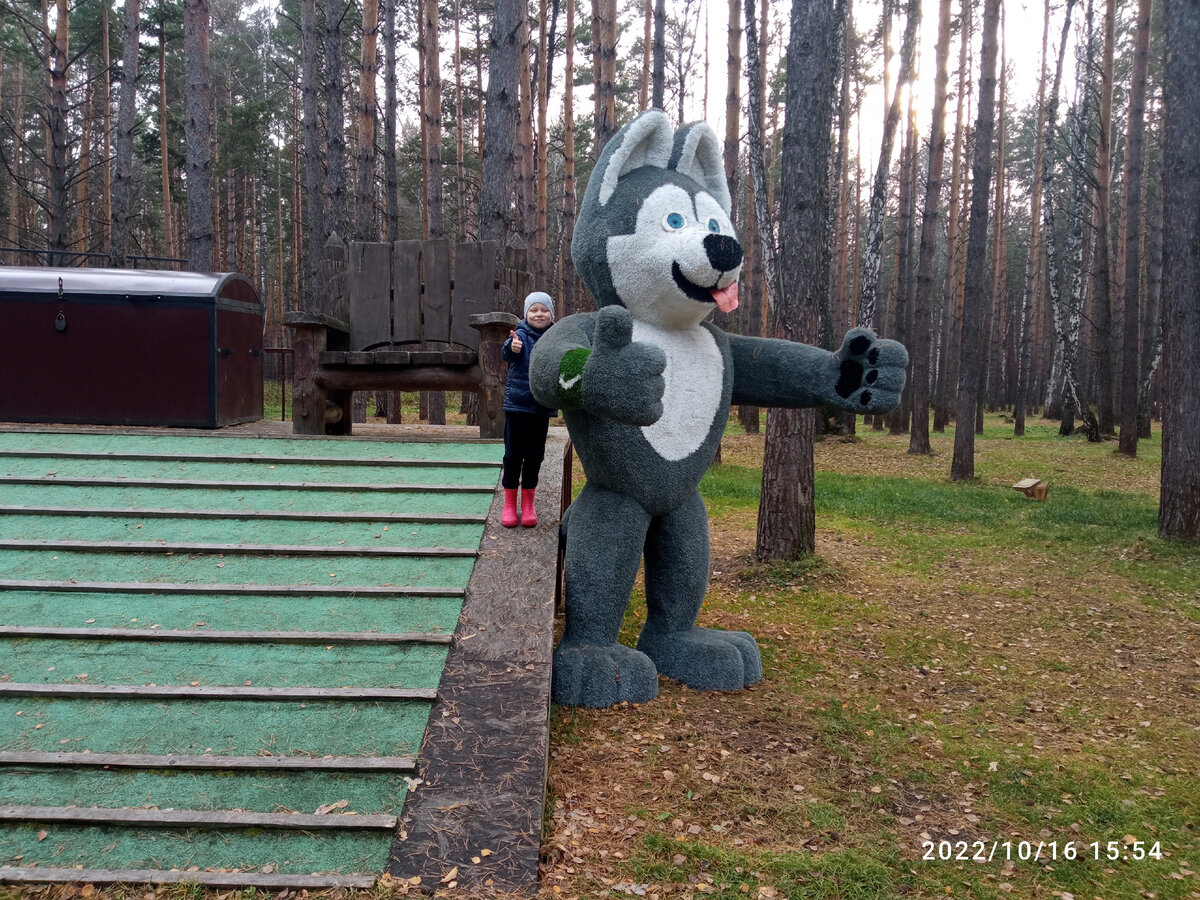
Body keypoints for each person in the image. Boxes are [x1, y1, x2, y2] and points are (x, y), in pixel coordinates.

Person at [500, 291, 558, 527]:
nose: (539, 314)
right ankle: (509, 504)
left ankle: (528, 504)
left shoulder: (555, 337)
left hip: (541, 407)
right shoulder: (519, 335)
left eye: (544, 310)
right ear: (526, 314)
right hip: (517, 407)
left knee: (535, 457)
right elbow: (508, 353)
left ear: (551, 314)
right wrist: (512, 348)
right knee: (513, 455)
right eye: (534, 310)